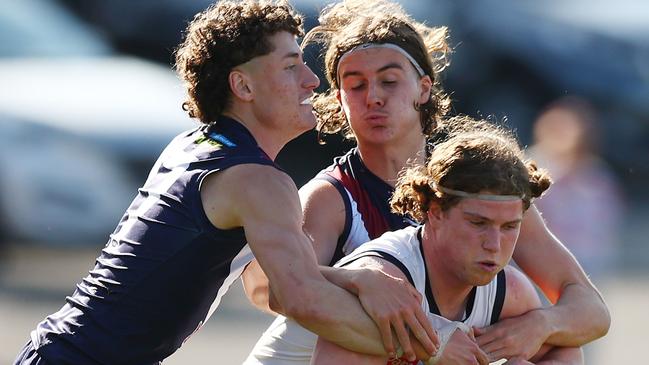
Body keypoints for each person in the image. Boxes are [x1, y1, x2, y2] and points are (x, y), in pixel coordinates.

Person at [13, 1, 439, 364]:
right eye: (291, 66)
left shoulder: (195, 142)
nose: (312, 81)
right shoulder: (259, 182)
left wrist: (356, 278)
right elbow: (303, 299)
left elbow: (279, 282)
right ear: (243, 85)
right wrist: (436, 351)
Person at [242, 0, 609, 364]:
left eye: (389, 81)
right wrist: (360, 280)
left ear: (424, 88)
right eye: (355, 86)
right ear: (338, 100)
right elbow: (274, 288)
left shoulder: (478, 189)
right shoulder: (332, 196)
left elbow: (590, 310)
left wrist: (541, 325)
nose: (373, 98)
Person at [310, 125, 583, 365]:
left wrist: (544, 331)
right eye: (478, 223)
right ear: (436, 212)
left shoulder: (508, 293)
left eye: (510, 227)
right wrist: (434, 345)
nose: (494, 244)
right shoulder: (386, 282)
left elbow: (567, 349)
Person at [528, 96, 624, 279]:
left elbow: (606, 224)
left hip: (585, 265)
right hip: (538, 266)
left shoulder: (597, 176)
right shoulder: (533, 169)